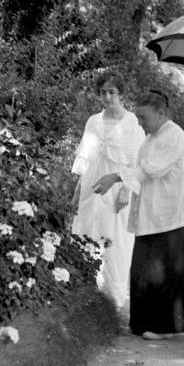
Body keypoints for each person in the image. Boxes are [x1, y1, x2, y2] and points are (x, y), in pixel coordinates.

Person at [92, 90, 184, 340]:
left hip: (181, 213)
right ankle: (144, 322)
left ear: (162, 113)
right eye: (139, 118)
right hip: (159, 212)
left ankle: (164, 327)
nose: (142, 123)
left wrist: (115, 177)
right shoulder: (151, 137)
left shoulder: (174, 136)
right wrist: (126, 188)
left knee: (167, 270)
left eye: (145, 118)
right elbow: (141, 171)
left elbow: (150, 169)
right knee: (147, 267)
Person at [70, 72, 146, 308]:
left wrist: (126, 190)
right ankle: (86, 294)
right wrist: (77, 189)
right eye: (103, 92)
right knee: (87, 232)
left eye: (112, 92)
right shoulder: (94, 121)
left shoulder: (132, 124)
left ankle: (111, 300)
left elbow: (137, 162)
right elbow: (85, 158)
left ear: (120, 94)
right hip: (92, 183)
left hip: (117, 187)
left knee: (115, 239)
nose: (107, 97)